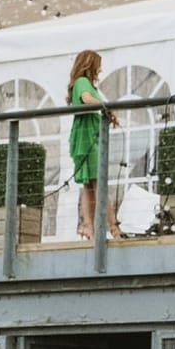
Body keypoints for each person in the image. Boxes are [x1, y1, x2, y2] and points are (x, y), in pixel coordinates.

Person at [67, 49, 122, 240]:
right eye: (98, 65)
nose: (100, 69)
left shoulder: (86, 84)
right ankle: (112, 227)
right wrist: (107, 108)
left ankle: (89, 227)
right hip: (87, 138)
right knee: (98, 183)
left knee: (90, 185)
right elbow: (86, 99)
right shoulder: (82, 82)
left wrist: (107, 112)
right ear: (91, 65)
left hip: (89, 137)